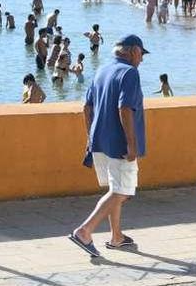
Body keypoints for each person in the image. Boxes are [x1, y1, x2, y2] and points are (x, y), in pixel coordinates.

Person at [69, 35, 149, 258]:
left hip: (99, 141)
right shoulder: (129, 73)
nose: (141, 60)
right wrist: (132, 145)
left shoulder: (101, 71)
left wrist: (90, 138)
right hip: (119, 144)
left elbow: (86, 107)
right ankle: (84, 231)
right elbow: (125, 109)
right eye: (141, 54)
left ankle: (116, 237)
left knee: (115, 190)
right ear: (133, 51)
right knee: (122, 190)